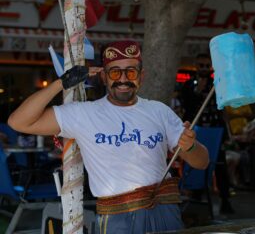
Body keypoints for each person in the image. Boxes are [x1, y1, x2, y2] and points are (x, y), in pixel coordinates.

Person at [7, 40, 209, 233]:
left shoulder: (159, 111)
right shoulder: (83, 113)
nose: (123, 79)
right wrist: (62, 83)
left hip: (165, 209)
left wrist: (190, 146)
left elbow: (202, 162)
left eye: (130, 72)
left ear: (141, 75)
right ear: (104, 76)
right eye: (115, 72)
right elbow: (18, 122)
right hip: (118, 217)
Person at [181, 53, 234, 214]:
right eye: (201, 65)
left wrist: (228, 134)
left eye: (206, 66)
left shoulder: (217, 84)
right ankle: (197, 197)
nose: (204, 69)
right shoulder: (189, 85)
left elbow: (223, 109)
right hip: (196, 131)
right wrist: (197, 90)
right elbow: (186, 106)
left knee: (220, 166)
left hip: (216, 131)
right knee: (196, 163)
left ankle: (225, 200)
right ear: (196, 66)